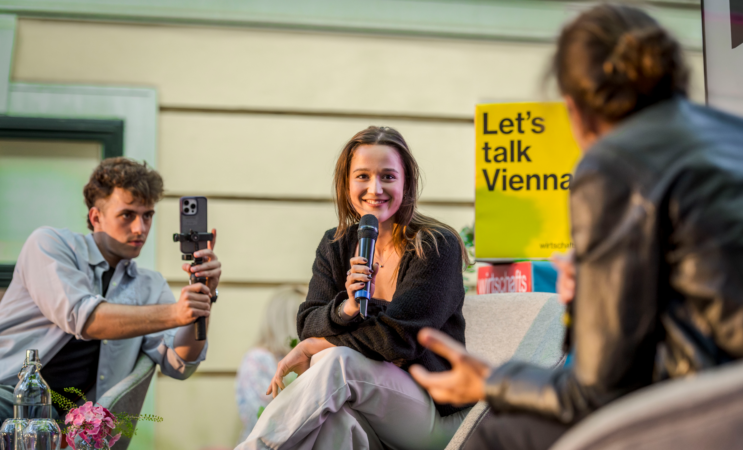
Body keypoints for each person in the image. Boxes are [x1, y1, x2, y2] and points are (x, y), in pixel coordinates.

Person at [409, 4, 743, 450]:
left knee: (494, 436)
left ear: (575, 109)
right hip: (729, 390)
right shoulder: (735, 133)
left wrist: (491, 381)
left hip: (717, 407)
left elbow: (595, 390)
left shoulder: (611, 163)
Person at [238, 126, 471, 450]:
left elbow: (399, 340)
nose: (375, 189)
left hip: (437, 413)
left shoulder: (434, 245)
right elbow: (307, 322)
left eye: (388, 176)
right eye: (362, 176)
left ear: (406, 182)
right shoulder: (336, 244)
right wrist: (345, 308)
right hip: (374, 406)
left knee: (334, 362)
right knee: (336, 422)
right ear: (346, 183)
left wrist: (312, 347)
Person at [0, 157, 222, 421]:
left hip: (73, 427)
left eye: (147, 215)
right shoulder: (49, 245)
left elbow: (180, 363)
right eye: (127, 215)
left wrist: (203, 298)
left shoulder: (150, 286)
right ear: (97, 217)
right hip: (9, 395)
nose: (140, 228)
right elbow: (86, 318)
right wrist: (175, 313)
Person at [235, 285, 306, 443]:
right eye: (307, 317)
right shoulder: (257, 360)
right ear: (289, 321)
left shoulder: (303, 358)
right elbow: (260, 421)